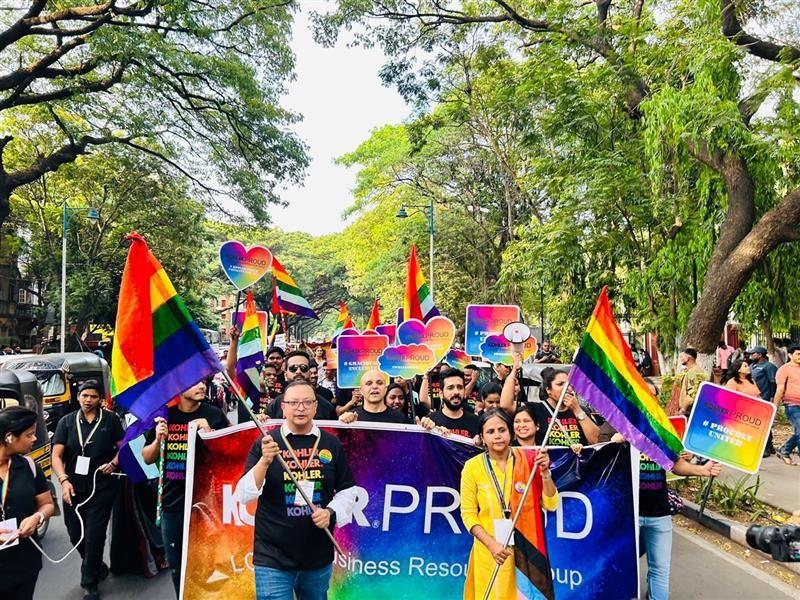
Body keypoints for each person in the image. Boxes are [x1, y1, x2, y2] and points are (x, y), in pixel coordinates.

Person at [235, 380, 358, 600]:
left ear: (315, 406)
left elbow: (348, 490)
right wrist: (264, 461)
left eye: (306, 402)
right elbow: (244, 495)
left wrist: (330, 513)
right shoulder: (266, 442)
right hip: (272, 556)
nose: (300, 408)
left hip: (317, 556)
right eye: (293, 403)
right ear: (283, 407)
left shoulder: (330, 443)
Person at [598, 421, 721, 600]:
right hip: (628, 515)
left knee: (660, 570)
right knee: (621, 566)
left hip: (660, 513)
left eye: (654, 394)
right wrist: (612, 445)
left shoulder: (658, 429)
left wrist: (702, 470)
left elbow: (674, 463)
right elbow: (596, 464)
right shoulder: (613, 425)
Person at [141, 381, 229, 596]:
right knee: (177, 563)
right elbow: (147, 457)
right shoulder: (165, 417)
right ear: (179, 389)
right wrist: (158, 439)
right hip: (173, 503)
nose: (201, 386)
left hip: (207, 502)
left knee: (209, 561)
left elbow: (228, 454)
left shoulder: (213, 414)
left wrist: (209, 432)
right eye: (194, 383)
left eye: (203, 382)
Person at [459, 409, 558, 600]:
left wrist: (545, 473)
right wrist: (491, 545)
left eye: (501, 430)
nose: (497, 436)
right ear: (482, 438)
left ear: (510, 432)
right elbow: (468, 514)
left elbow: (551, 504)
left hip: (527, 550)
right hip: (490, 551)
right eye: (491, 432)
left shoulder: (530, 461)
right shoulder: (472, 467)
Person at [51, 380, 124, 600]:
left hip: (101, 485)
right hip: (72, 486)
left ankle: (89, 582)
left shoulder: (110, 421)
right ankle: (96, 565)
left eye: (93, 396)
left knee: (94, 533)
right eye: (84, 396)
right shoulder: (66, 422)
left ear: (100, 399)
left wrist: (113, 463)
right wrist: (63, 481)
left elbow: (123, 448)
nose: (88, 400)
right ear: (78, 397)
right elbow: (56, 456)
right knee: (75, 533)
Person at [0, 407, 55, 600]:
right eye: (29, 435)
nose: (34, 439)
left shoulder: (30, 467)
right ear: (9, 437)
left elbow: (47, 504)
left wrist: (37, 517)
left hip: (23, 562)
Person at [501, 358, 600, 450]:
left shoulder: (580, 411)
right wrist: (514, 370)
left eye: (569, 385)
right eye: (560, 384)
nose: (566, 388)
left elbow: (596, 441)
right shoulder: (536, 409)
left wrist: (577, 410)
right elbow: (506, 405)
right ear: (548, 390)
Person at [265, 352, 337, 420]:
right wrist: (261, 419)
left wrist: (346, 419)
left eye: (303, 368)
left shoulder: (326, 407)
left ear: (309, 373)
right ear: (285, 374)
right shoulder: (274, 406)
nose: (298, 371)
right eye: (293, 368)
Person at [421, 369, 481, 438]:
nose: (456, 392)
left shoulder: (476, 422)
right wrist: (425, 430)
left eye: (460, 387)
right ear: (441, 394)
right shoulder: (431, 421)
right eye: (450, 388)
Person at [338, 370, 407, 424]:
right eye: (369, 383)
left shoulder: (400, 419)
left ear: (385, 389)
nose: (374, 387)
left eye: (379, 383)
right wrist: (343, 423)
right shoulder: (351, 418)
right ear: (361, 390)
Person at [748, 346, 778, 456]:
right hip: (754, 398)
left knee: (763, 424)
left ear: (760, 355)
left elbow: (773, 383)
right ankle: (769, 446)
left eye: (753, 353)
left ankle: (765, 448)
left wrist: (772, 397)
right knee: (761, 423)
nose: (751, 355)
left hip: (765, 398)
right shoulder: (752, 366)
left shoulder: (769, 366)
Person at [774, 343, 800, 465]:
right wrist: (774, 406)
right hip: (792, 405)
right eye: (798, 354)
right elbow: (780, 389)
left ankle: (785, 450)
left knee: (799, 431)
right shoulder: (784, 369)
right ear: (790, 355)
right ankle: (786, 450)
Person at [675, 348, 708, 416]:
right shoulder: (692, 370)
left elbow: (692, 394)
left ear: (688, 358)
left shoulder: (692, 372)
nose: (681, 359)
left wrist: (682, 410)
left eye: (682, 357)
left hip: (689, 412)